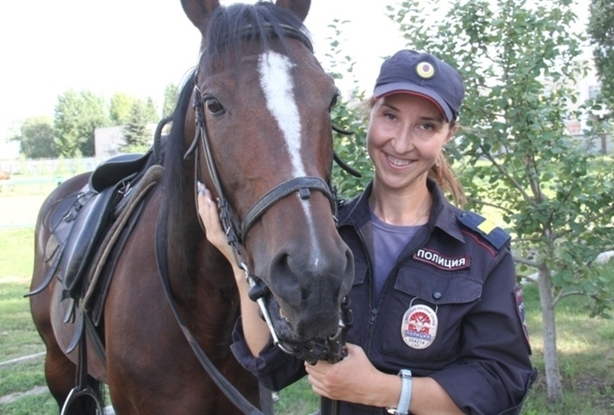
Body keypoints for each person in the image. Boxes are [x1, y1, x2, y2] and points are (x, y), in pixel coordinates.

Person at [198, 49, 536, 414]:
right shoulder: (326, 239)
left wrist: (383, 390)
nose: (402, 143)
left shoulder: (480, 253)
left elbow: (501, 383)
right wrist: (239, 264)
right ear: (370, 113)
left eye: (426, 126)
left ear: (448, 134)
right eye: (390, 116)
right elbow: (272, 361)